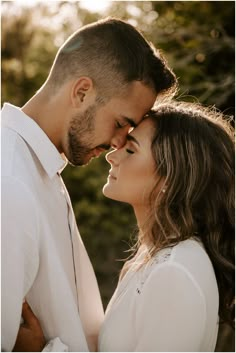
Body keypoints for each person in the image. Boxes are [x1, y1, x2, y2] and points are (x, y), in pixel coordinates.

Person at [1, 16, 177, 352]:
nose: (117, 143)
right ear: (82, 92)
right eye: (120, 123)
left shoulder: (39, 170)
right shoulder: (9, 182)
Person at [15, 101, 235, 352]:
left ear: (171, 179)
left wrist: (39, 350)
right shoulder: (150, 257)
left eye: (130, 151)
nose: (111, 155)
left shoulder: (174, 272)